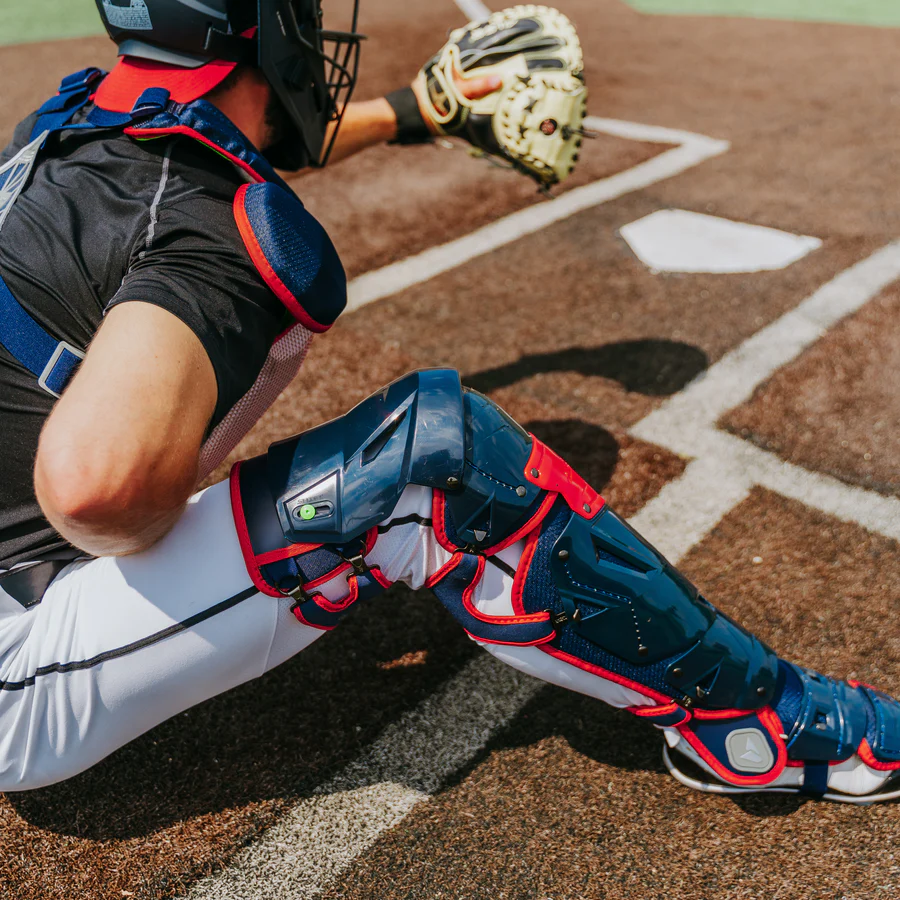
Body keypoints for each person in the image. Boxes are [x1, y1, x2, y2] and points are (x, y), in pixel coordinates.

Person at [0, 0, 897, 805]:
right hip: (16, 666)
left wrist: (412, 111)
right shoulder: (202, 230)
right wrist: (185, 466)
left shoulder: (65, 124)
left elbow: (218, 151)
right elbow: (94, 491)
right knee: (435, 460)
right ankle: (763, 725)